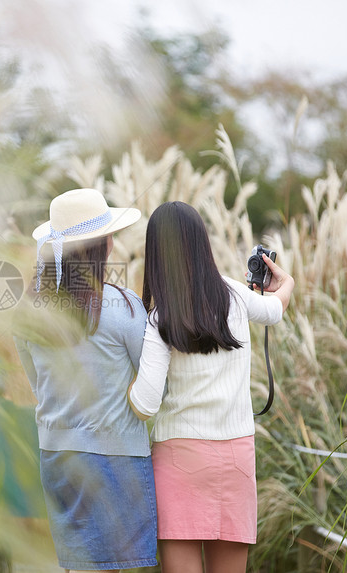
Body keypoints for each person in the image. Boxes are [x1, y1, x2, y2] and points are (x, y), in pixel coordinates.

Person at [127, 201, 295, 573]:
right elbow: (275, 310)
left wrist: (127, 385)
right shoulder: (236, 295)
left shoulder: (159, 318)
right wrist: (287, 284)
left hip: (179, 459)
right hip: (236, 456)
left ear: (155, 254)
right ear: (202, 244)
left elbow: (146, 404)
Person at [13, 188, 158, 572]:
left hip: (58, 456)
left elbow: (36, 383)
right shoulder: (124, 309)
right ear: (102, 248)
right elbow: (152, 382)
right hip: (118, 460)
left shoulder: (29, 316)